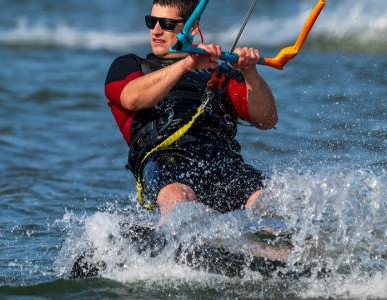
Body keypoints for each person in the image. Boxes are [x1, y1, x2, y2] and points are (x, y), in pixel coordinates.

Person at [104, 0, 277, 218]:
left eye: (167, 24)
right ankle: (177, 246)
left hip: (222, 161)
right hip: (165, 163)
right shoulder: (130, 66)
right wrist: (188, 64)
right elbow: (132, 99)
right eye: (152, 21)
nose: (156, 30)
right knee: (178, 195)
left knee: (267, 201)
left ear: (193, 28)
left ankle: (279, 247)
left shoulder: (220, 74)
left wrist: (250, 72)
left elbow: (267, 120)